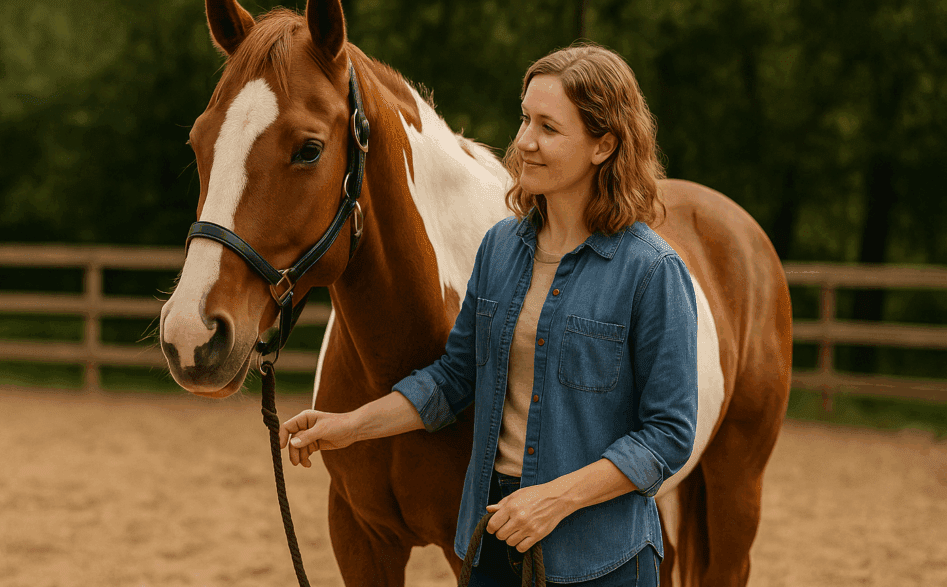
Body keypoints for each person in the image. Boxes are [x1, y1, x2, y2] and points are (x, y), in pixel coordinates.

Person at [280, 43, 698, 586]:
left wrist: (552, 500)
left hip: (602, 560)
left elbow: (667, 435)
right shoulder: (500, 248)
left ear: (604, 145)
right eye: (525, 118)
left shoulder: (653, 271)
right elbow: (453, 380)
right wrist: (350, 426)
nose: (524, 141)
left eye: (549, 127)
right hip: (492, 541)